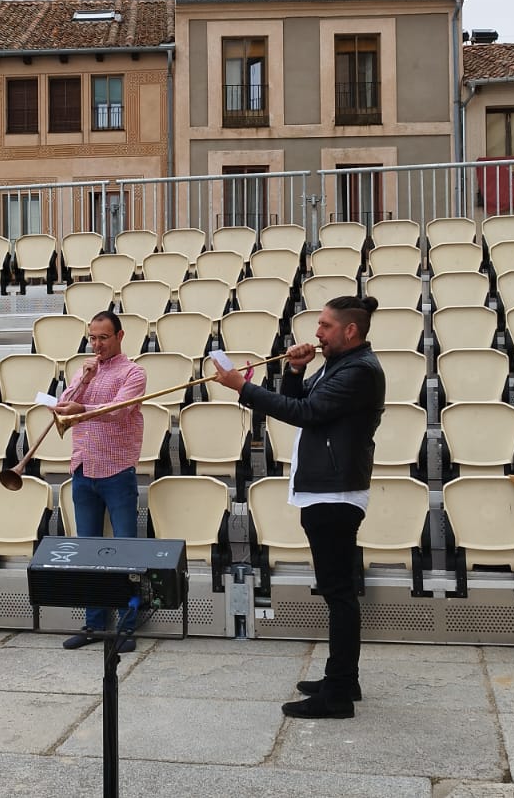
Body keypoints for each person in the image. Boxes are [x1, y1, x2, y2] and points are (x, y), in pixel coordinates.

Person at [215, 295, 385, 720]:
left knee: (339, 594)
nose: (317, 333)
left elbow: (306, 412)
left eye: (326, 326)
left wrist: (243, 388)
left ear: (350, 330)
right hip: (325, 489)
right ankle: (343, 679)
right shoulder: (342, 364)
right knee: (337, 592)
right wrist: (295, 370)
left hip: (336, 494)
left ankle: (339, 694)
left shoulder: (361, 371)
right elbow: (301, 401)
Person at [53, 310, 147, 652]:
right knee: (88, 552)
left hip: (117, 471)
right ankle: (94, 624)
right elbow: (63, 406)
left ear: (120, 336)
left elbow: (121, 409)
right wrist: (85, 381)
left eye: (103, 337)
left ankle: (126, 628)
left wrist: (81, 406)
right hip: (82, 469)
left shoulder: (133, 372)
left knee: (124, 552)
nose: (97, 344)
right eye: (92, 337)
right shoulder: (84, 370)